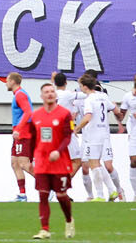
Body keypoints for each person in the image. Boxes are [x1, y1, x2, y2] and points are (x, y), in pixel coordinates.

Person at [14, 81, 75, 241]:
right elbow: (34, 138)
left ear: (55, 95)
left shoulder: (64, 114)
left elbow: (68, 136)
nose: (50, 94)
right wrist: (32, 159)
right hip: (42, 162)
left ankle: (69, 220)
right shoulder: (36, 116)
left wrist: (58, 151)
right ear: (41, 96)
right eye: (46, 92)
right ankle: (45, 229)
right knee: (43, 195)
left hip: (59, 161)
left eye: (52, 91)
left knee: (62, 195)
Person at [74, 73, 125, 202]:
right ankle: (112, 191)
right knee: (97, 164)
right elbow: (116, 110)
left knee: (94, 164)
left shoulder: (89, 100)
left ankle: (100, 195)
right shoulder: (102, 96)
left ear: (85, 87)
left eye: (80, 86)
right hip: (104, 135)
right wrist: (119, 119)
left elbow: (88, 117)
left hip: (93, 135)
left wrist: (77, 128)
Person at [52, 71, 91, 200]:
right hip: (66, 132)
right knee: (78, 161)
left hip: (54, 131)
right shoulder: (68, 94)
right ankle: (60, 188)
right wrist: (92, 87)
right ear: (66, 82)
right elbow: (85, 94)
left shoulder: (51, 93)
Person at [8, 72, 35, 202]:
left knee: (24, 164)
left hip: (23, 133)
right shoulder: (18, 94)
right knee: (15, 163)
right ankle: (22, 194)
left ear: (13, 81)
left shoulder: (20, 94)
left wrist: (18, 129)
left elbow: (29, 111)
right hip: (19, 134)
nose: (6, 84)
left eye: (7, 81)